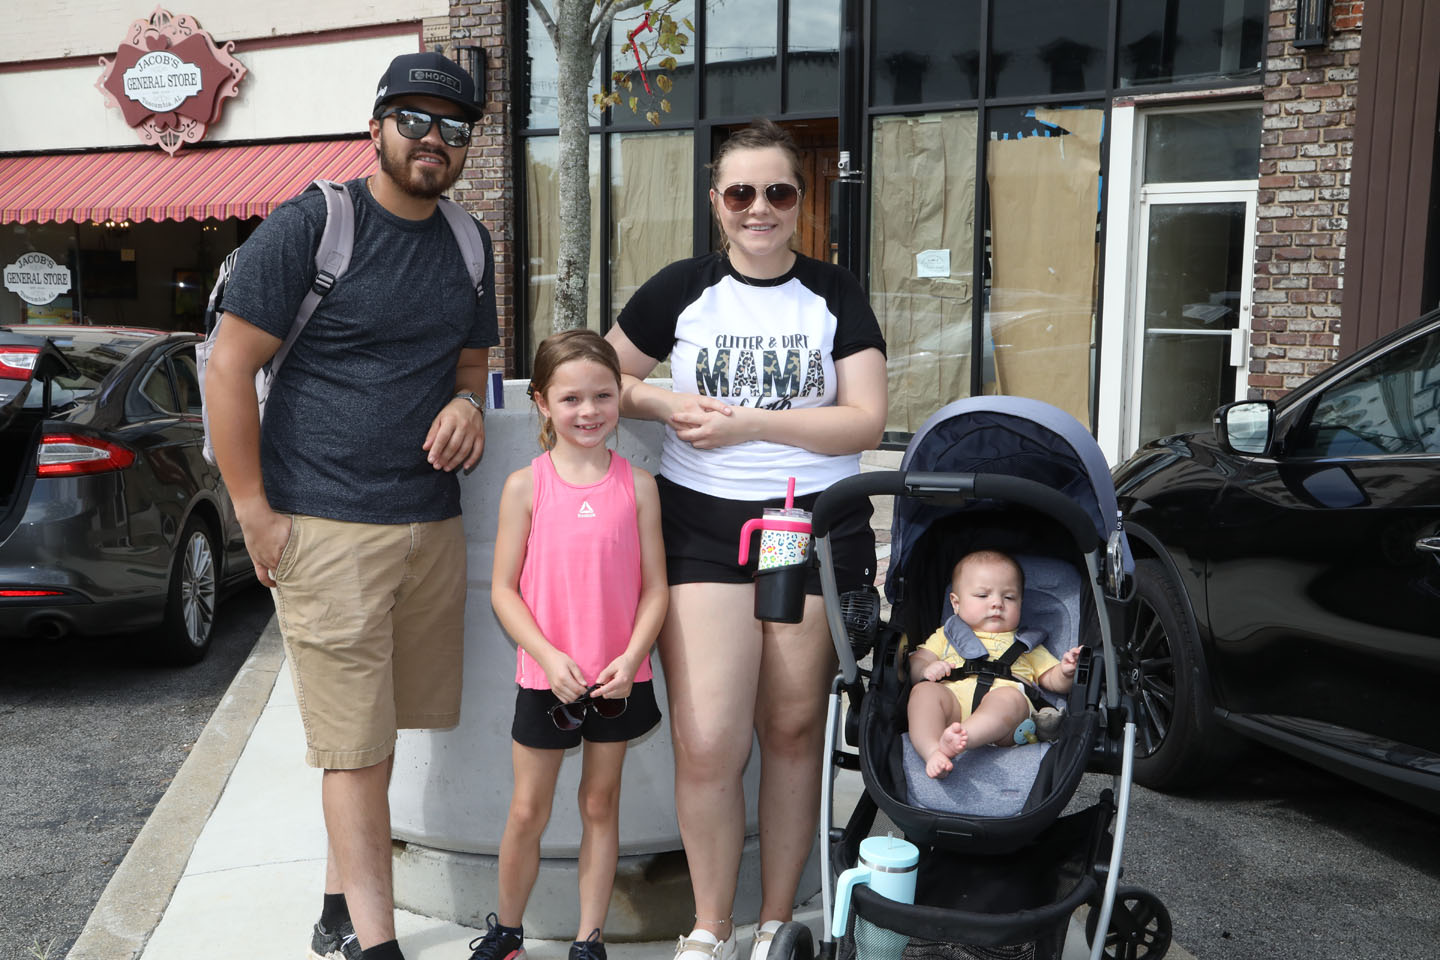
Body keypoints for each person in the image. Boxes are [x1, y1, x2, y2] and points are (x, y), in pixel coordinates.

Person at [203, 51, 497, 960]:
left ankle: (338, 905)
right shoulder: (314, 224)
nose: (433, 141)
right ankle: (375, 945)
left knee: (376, 735)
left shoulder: (468, 241)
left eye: (453, 129)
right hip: (325, 524)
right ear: (376, 128)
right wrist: (252, 510)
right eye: (414, 121)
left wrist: (461, 403)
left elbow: (472, 366)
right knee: (356, 749)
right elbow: (226, 365)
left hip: (428, 524)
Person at [604, 119, 887, 960]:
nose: (759, 208)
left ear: (801, 201)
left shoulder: (835, 294)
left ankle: (773, 926)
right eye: (740, 193)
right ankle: (707, 928)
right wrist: (662, 403)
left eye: (778, 192)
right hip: (704, 525)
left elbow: (863, 421)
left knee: (795, 727)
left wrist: (746, 422)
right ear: (716, 202)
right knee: (710, 736)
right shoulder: (681, 289)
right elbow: (599, 374)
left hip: (807, 523)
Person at [464, 329, 667, 960]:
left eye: (602, 396)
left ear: (620, 398)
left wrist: (632, 660)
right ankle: (508, 933)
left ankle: (589, 938)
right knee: (527, 809)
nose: (589, 411)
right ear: (543, 403)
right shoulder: (526, 486)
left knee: (600, 803)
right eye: (571, 397)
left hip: (618, 680)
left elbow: (656, 590)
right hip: (544, 679)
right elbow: (503, 591)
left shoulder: (637, 487)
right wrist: (549, 658)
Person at [907, 550, 1082, 779]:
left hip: (1005, 722)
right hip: (953, 706)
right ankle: (932, 751)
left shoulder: (1025, 644)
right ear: (956, 603)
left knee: (1009, 699)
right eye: (982, 595)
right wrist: (925, 669)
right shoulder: (946, 635)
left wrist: (1066, 671)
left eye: (1009, 598)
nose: (997, 604)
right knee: (922, 692)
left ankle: (962, 738)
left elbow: (1053, 680)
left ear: (1021, 602)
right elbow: (916, 662)